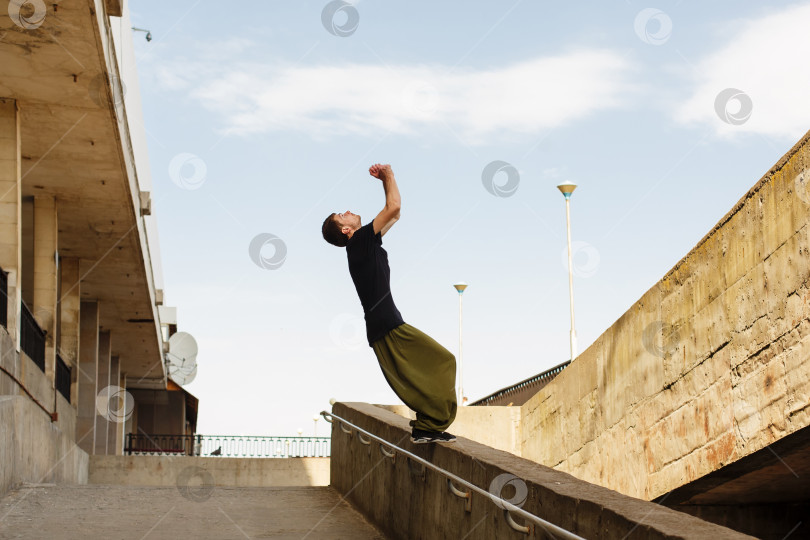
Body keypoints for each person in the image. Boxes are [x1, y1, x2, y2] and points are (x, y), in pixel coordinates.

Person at [321, 163, 457, 444]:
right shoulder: (359, 242)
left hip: (385, 323)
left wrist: (385, 181)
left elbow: (395, 213)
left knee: (422, 372)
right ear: (346, 230)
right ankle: (428, 426)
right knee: (442, 361)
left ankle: (427, 427)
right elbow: (393, 207)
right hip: (386, 324)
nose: (347, 210)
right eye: (341, 215)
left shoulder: (365, 244)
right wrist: (389, 175)